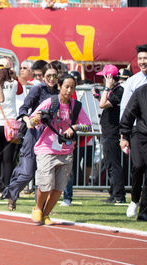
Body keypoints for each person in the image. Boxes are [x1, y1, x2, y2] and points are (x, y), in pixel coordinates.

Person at [28, 74, 91, 224]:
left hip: (66, 150)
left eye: (72, 87)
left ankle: (46, 214)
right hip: (46, 148)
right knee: (45, 183)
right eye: (66, 87)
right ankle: (37, 208)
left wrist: (74, 127)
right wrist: (37, 118)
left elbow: (88, 126)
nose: (69, 90)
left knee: (58, 187)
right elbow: (31, 121)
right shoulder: (50, 102)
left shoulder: (76, 106)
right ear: (59, 87)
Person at [1, 62, 61, 209]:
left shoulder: (59, 93)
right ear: (43, 76)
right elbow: (23, 108)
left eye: (54, 76)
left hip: (49, 138)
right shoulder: (37, 89)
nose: (52, 79)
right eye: (49, 76)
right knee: (27, 173)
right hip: (33, 134)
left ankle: (40, 207)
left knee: (46, 174)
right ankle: (12, 193)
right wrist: (28, 120)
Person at [0, 58, 23, 200]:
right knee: (8, 160)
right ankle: (7, 191)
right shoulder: (14, 83)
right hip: (11, 124)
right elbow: (20, 91)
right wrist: (13, 74)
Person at [95, 64, 125, 205]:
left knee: (114, 164)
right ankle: (113, 193)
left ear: (110, 78)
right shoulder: (114, 91)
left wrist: (107, 88)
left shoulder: (119, 91)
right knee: (109, 164)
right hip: (107, 132)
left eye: (105, 78)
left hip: (113, 133)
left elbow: (103, 105)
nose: (103, 81)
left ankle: (119, 195)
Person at [120, 60, 147, 221]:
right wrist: (124, 135)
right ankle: (135, 199)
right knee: (138, 166)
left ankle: (144, 211)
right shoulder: (140, 91)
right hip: (139, 135)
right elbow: (128, 114)